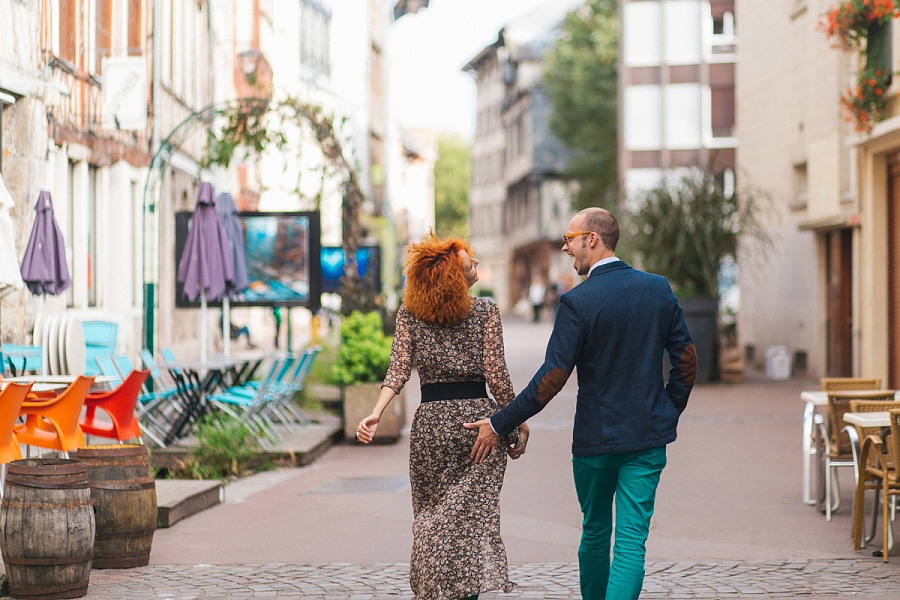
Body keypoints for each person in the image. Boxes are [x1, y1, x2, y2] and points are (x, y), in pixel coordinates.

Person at [465, 207, 696, 600]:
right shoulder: (657, 289)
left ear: (593, 238)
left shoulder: (578, 301)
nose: (565, 247)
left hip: (595, 440)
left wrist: (501, 421)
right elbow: (687, 359)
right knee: (631, 542)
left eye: (570, 239)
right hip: (646, 436)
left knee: (595, 531)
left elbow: (552, 378)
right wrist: (667, 408)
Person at [356, 232, 529, 600]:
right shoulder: (485, 311)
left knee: (431, 516)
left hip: (431, 427)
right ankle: (464, 592)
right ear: (454, 275)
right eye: (471, 262)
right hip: (478, 427)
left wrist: (375, 413)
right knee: (469, 518)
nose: (478, 264)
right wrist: (516, 419)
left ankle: (432, 590)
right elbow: (496, 374)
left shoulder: (410, 314)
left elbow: (398, 370)